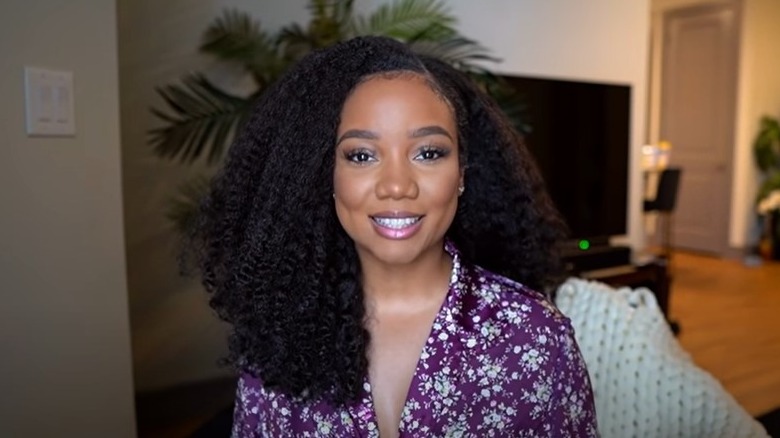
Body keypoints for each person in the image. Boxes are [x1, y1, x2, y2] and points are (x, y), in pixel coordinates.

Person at [188, 36, 598, 437]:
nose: (397, 185)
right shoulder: (278, 334)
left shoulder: (536, 339)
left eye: (428, 152)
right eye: (362, 155)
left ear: (462, 173)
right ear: (324, 175)